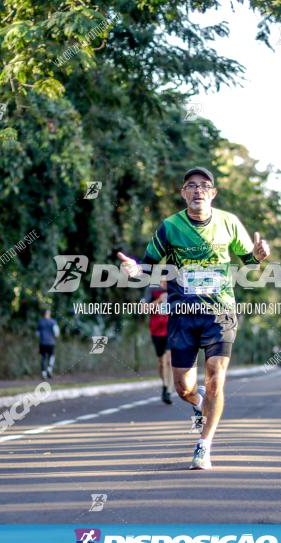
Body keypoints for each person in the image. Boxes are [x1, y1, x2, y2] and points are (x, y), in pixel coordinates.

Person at [117, 166, 270, 470]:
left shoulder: (228, 222)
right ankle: (199, 404)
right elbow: (147, 265)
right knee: (183, 388)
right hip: (183, 314)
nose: (198, 190)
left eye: (204, 185)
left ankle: (204, 445)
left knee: (215, 379)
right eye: (191, 185)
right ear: (183, 192)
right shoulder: (170, 226)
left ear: (213, 193)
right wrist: (134, 271)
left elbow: (248, 259)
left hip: (220, 312)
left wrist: (259, 254)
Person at [146, 279, 173, 404]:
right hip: (156, 330)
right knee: (161, 363)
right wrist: (159, 300)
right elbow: (144, 308)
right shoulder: (151, 289)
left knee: (167, 360)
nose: (164, 282)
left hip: (172, 329)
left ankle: (168, 390)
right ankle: (164, 384)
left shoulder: (175, 288)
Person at [37, 309, 59, 378]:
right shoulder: (53, 322)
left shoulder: (40, 322)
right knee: (51, 356)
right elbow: (56, 333)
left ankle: (43, 373)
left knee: (43, 357)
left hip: (42, 342)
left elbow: (37, 334)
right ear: (49, 314)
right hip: (50, 342)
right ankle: (49, 370)